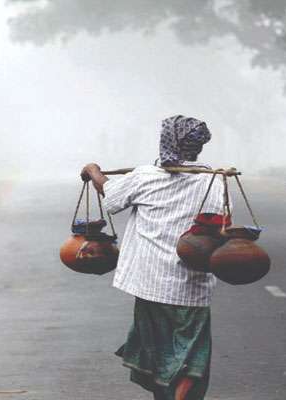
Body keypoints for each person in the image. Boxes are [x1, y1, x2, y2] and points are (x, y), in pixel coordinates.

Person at [81, 115, 225, 400]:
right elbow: (220, 224)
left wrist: (93, 170)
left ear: (166, 141)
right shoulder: (212, 180)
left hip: (151, 284)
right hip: (191, 285)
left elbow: (110, 197)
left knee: (158, 351)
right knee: (190, 352)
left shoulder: (145, 176)